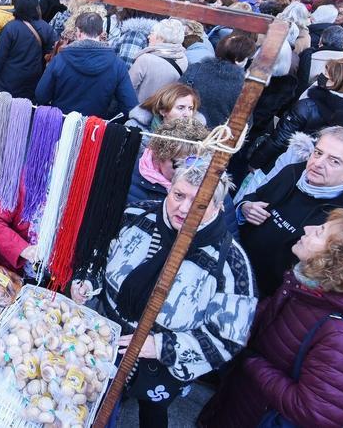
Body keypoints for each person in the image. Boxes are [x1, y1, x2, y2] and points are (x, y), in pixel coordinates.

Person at [71, 165, 258, 426]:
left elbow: (227, 338)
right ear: (169, 189)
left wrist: (161, 347)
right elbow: (101, 255)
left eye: (199, 204)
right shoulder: (137, 214)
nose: (183, 209)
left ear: (218, 207)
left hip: (160, 366)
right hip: (104, 339)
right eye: (178, 195)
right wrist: (88, 281)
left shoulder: (231, 263)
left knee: (153, 413)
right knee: (90, 402)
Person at [200, 209, 343, 428]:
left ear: (339, 260)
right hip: (242, 405)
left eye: (320, 231)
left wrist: (250, 361)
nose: (307, 229)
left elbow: (317, 412)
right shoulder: (309, 287)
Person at [238, 126, 343, 296]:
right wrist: (244, 207)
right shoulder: (293, 172)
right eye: (318, 153)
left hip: (272, 296)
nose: (317, 163)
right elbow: (255, 196)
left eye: (334, 161)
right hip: (236, 265)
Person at [248, 59, 343, 172]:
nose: (322, 76)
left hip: (279, 164)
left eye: (328, 75)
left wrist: (255, 162)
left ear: (338, 82)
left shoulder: (306, 107)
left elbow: (279, 140)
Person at [35, 11, 137, 118]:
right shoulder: (117, 65)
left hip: (61, 123)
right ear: (101, 32)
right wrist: (106, 119)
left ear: (78, 32)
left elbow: (41, 95)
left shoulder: (60, 59)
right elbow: (130, 105)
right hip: (94, 129)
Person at [182, 31, 258, 127]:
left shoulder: (195, 69)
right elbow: (245, 123)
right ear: (238, 59)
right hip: (216, 137)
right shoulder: (244, 87)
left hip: (184, 128)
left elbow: (175, 95)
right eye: (246, 58)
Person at [0, 0, 54, 100]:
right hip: (33, 80)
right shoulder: (47, 28)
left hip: (9, 81)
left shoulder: (11, 28)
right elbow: (51, 54)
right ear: (36, 8)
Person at [129, 82, 200, 130]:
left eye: (190, 108)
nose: (187, 114)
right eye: (180, 108)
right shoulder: (135, 129)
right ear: (163, 110)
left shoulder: (197, 140)